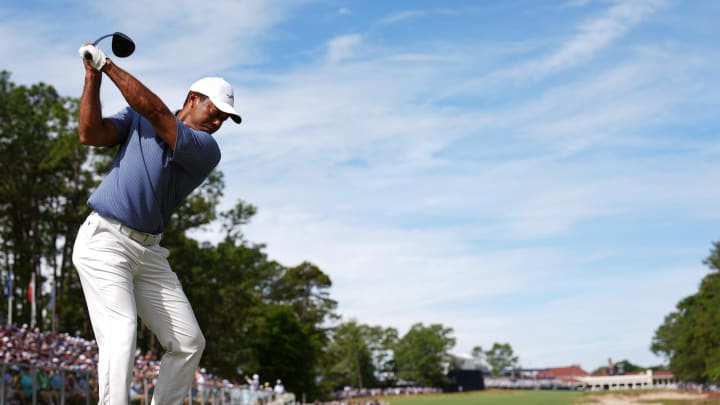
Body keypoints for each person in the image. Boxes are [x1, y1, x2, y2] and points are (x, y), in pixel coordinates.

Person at [72, 40, 242, 405]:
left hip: (149, 254)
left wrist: (108, 67)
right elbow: (91, 133)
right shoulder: (138, 117)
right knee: (121, 332)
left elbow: (160, 116)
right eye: (215, 110)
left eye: (225, 118)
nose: (218, 121)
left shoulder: (206, 149)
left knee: (188, 342)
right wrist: (92, 78)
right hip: (104, 241)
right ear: (193, 98)